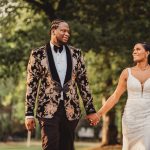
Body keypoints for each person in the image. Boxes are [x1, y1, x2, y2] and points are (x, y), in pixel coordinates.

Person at [25, 19, 99, 150]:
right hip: (47, 110)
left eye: (68, 31)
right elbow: (31, 85)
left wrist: (91, 110)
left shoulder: (77, 54)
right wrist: (29, 113)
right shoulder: (37, 54)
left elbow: (83, 83)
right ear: (53, 31)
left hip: (71, 110)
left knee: (67, 147)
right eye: (63, 30)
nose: (67, 34)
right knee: (50, 146)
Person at [86, 42, 150, 150]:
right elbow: (115, 96)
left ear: (147, 53)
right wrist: (99, 114)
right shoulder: (127, 73)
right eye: (134, 49)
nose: (134, 51)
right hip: (130, 119)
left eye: (138, 49)